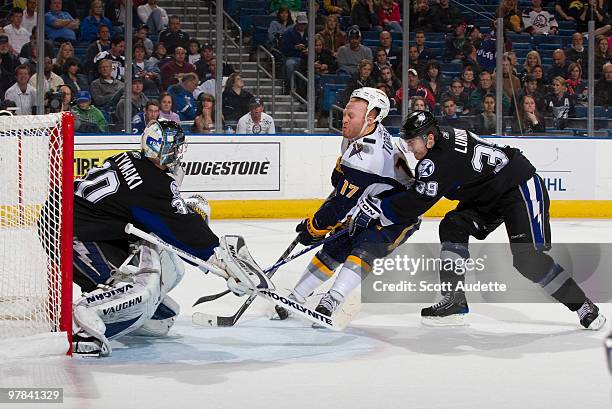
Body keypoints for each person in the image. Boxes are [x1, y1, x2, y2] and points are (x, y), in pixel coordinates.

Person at [349, 110, 606, 330]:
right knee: (453, 225)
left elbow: (416, 203)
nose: (409, 149)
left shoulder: (438, 162)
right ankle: (454, 300)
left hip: (518, 185)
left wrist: (379, 209)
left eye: (411, 142)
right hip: (488, 192)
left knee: (528, 260)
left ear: (429, 138)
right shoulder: (442, 136)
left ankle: (584, 307)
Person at [68, 119, 272, 356]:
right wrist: (219, 258)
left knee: (161, 316)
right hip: (71, 231)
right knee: (137, 287)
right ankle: (81, 321)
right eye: (175, 147)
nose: (178, 152)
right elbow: (180, 226)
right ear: (161, 148)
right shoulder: (152, 184)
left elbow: (158, 221)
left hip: (79, 222)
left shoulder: (130, 158)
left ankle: (112, 310)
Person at [273, 87, 418, 320]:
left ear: (371, 117)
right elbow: (342, 182)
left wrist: (315, 226)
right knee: (335, 246)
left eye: (351, 115)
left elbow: (340, 204)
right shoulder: (362, 133)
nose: (345, 119)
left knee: (365, 247)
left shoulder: (367, 156)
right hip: (370, 201)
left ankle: (333, 298)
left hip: (398, 214)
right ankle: (297, 296)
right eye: (345, 113)